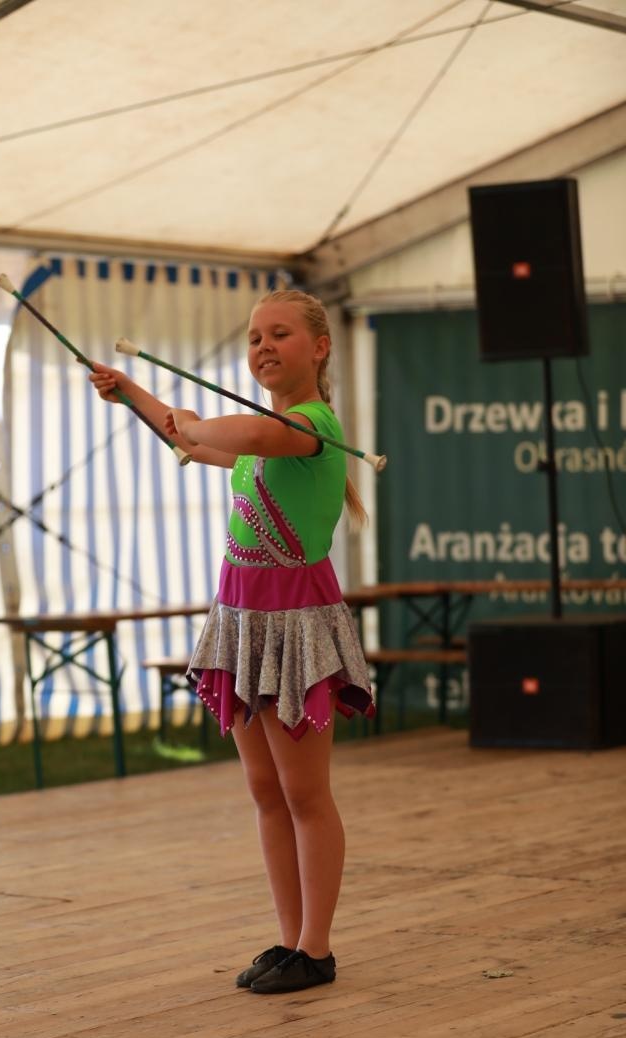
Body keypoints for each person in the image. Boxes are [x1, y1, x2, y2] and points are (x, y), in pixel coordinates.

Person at [89, 289, 374, 994]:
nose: (263, 348)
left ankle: (318, 948)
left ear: (320, 347)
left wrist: (187, 422)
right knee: (265, 790)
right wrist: (132, 394)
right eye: (253, 339)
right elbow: (191, 438)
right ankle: (286, 939)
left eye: (280, 334)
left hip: (295, 627)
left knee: (306, 793)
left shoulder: (307, 425)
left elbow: (239, 436)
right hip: (243, 623)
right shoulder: (252, 435)